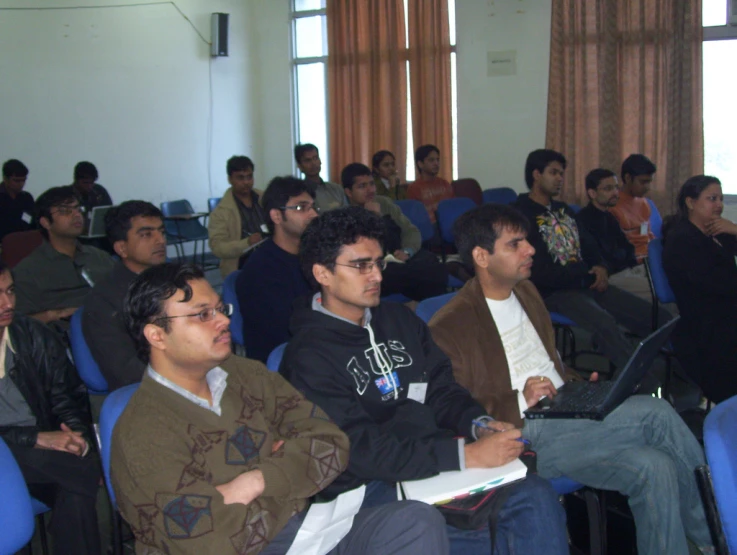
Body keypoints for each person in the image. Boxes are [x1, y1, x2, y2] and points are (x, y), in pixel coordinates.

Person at [280, 206, 569, 555]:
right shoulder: (307, 357)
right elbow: (358, 450)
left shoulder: (399, 321)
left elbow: (442, 389)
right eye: (361, 265)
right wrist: (464, 455)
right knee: (474, 536)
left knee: (534, 492)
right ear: (322, 274)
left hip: (433, 462)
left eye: (378, 262)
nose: (376, 276)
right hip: (368, 485)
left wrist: (479, 424)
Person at [429, 203, 714, 555]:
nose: (531, 249)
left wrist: (578, 385)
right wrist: (521, 398)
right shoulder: (449, 325)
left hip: (563, 414)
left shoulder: (526, 292)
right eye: (515, 244)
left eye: (527, 241)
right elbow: (454, 409)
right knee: (656, 413)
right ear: (481, 256)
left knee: (654, 466)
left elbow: (551, 363)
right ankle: (719, 535)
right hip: (522, 433)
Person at [112, 262, 450, 554]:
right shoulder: (142, 432)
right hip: (247, 546)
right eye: (203, 315)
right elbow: (209, 542)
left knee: (415, 522)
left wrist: (257, 480)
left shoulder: (246, 374)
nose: (223, 321)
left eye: (220, 309)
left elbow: (332, 444)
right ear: (156, 335)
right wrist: (289, 475)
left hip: (308, 530)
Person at [515, 149, 658, 370]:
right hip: (553, 291)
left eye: (561, 174)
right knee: (606, 324)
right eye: (554, 173)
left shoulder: (563, 210)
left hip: (585, 283)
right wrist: (585, 276)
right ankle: (642, 385)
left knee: (652, 314)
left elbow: (588, 244)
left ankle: (672, 371)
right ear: (536, 175)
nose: (560, 179)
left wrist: (600, 266)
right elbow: (539, 269)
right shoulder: (519, 214)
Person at [0, 260, 101, 555]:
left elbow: (65, 395)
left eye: (10, 291)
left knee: (71, 482)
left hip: (41, 456)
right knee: (78, 473)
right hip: (11, 450)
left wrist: (76, 437)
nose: (6, 303)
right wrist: (35, 438)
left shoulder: (31, 334)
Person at [663, 175, 737, 403]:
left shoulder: (717, 232)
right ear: (691, 202)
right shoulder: (682, 240)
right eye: (712, 199)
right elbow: (717, 286)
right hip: (705, 328)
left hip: (724, 314)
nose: (719, 205)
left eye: (721, 199)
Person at [82, 201, 167, 390]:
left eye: (161, 232)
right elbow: (126, 373)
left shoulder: (176, 283)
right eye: (146, 234)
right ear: (122, 248)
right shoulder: (104, 301)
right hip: (149, 392)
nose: (160, 240)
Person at [235, 176, 318, 362]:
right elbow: (289, 329)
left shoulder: (313, 255)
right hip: (284, 362)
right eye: (301, 207)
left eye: (313, 207)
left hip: (315, 348)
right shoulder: (260, 272)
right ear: (276, 216)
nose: (313, 214)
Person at [342, 162, 447, 300]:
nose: (370, 190)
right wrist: (375, 218)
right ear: (348, 192)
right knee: (396, 273)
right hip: (374, 265)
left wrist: (407, 251)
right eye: (362, 186)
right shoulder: (343, 215)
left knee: (431, 261)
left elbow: (410, 231)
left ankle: (423, 308)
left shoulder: (384, 203)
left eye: (372, 184)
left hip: (398, 256)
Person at [13, 186, 114, 328]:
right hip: (65, 337)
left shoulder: (100, 257)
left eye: (78, 209)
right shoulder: (28, 271)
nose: (76, 215)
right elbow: (16, 323)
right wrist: (55, 315)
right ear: (46, 222)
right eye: (65, 211)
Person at [575, 168, 652, 302]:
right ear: (592, 193)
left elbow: (628, 248)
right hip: (610, 277)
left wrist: (622, 256)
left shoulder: (609, 216)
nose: (615, 193)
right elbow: (600, 258)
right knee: (660, 290)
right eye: (608, 189)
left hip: (628, 269)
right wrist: (620, 257)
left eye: (616, 187)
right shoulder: (583, 220)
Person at [208, 155, 269, 277]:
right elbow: (218, 247)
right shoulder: (221, 212)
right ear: (230, 179)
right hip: (241, 266)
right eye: (240, 178)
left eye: (249, 177)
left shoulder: (265, 199)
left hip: (270, 259)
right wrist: (246, 243)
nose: (246, 182)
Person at [610, 154, 657, 262]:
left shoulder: (644, 203)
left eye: (649, 182)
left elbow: (645, 234)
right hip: (632, 263)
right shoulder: (613, 206)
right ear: (627, 178)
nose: (647, 187)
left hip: (649, 257)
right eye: (643, 182)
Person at [406, 144, 453, 223]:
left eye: (437, 160)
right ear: (420, 164)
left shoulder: (444, 183)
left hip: (448, 223)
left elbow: (452, 206)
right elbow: (416, 216)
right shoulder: (414, 188)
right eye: (431, 160)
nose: (436, 163)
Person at [294, 143, 348, 212]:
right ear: (300, 166)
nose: (313, 163)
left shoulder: (336, 189)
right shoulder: (299, 193)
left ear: (320, 161)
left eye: (315, 158)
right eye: (307, 160)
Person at [0, 159, 35, 241]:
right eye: (16, 181)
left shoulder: (27, 198)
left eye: (24, 180)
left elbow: (33, 222)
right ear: (5, 179)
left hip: (24, 242)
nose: (21, 184)